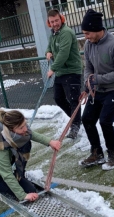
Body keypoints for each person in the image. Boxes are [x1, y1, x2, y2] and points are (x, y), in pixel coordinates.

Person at [0, 109, 61, 202]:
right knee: (29, 191)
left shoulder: (6, 129)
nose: (25, 129)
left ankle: (19, 175)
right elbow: (6, 174)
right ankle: (15, 182)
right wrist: (23, 195)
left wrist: (50, 142)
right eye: (21, 127)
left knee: (25, 141)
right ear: (11, 130)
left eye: (25, 125)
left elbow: (29, 134)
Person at [80, 9, 114, 171]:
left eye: (87, 33)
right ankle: (96, 153)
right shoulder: (88, 45)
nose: (85, 36)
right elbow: (88, 67)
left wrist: (99, 79)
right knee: (87, 119)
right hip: (97, 90)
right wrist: (88, 81)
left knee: (105, 121)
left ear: (96, 29)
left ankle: (113, 154)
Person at [45, 9, 82, 139]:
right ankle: (75, 119)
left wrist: (52, 69)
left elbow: (63, 54)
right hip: (61, 72)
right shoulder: (54, 34)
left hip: (71, 71)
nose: (55, 23)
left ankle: (75, 126)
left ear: (61, 19)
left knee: (73, 100)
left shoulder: (66, 32)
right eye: (52, 21)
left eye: (56, 20)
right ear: (49, 23)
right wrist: (48, 52)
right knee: (58, 98)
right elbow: (50, 47)